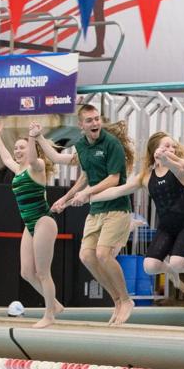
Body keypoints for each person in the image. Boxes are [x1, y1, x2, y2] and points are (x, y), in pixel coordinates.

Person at [41, 105, 135, 325]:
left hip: (116, 208)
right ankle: (117, 299)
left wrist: (86, 193)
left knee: (103, 254)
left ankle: (126, 299)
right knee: (86, 256)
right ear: (81, 125)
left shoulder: (112, 144)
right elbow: (84, 177)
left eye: (96, 119)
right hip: (96, 210)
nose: (95, 124)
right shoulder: (82, 146)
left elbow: (114, 178)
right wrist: (65, 199)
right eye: (89, 121)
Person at [90, 131, 184, 303]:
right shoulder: (146, 176)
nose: (171, 149)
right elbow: (119, 190)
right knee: (150, 267)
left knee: (178, 262)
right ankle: (170, 269)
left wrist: (167, 160)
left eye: (173, 146)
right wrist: (90, 197)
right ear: (154, 151)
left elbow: (176, 168)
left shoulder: (180, 170)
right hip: (166, 228)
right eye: (166, 146)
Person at [0, 121, 63, 328]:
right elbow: (6, 158)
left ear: (31, 149)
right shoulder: (18, 170)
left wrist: (32, 137)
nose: (17, 151)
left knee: (43, 272)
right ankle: (55, 304)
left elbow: (33, 158)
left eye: (21, 147)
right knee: (26, 273)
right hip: (29, 224)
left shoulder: (38, 166)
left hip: (43, 221)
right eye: (16, 148)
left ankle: (49, 314)